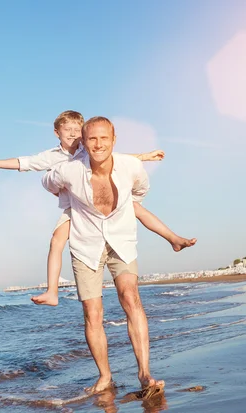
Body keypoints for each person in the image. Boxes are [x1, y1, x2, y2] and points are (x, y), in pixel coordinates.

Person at [0, 110, 195, 307]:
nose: (71, 134)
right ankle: (52, 291)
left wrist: (144, 157)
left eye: (76, 130)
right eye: (66, 130)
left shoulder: (86, 149)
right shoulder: (51, 157)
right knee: (56, 241)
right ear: (56, 132)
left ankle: (173, 238)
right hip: (75, 209)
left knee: (135, 207)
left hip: (98, 204)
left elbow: (114, 157)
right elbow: (23, 163)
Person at [42, 116, 164, 397]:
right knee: (92, 312)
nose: (98, 144)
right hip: (86, 245)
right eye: (92, 139)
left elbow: (141, 190)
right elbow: (47, 181)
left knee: (130, 295)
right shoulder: (69, 170)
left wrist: (122, 211)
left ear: (114, 139)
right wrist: (69, 202)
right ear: (84, 142)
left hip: (120, 240)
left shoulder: (131, 166)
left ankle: (145, 373)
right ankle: (105, 376)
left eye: (104, 138)